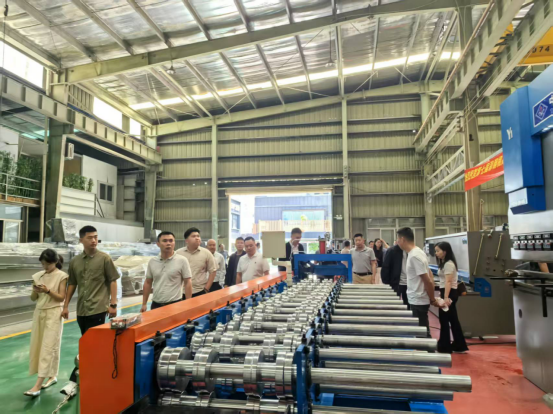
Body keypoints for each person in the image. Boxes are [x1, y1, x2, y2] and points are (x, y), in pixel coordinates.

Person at [61, 226, 120, 397]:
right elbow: (72, 284)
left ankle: (74, 381)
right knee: (91, 346)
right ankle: (92, 376)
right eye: (90, 237)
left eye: (95, 237)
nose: (94, 240)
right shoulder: (75, 262)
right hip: (82, 310)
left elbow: (113, 280)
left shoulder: (104, 259)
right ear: (81, 240)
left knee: (87, 346)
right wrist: (66, 306)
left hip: (98, 308)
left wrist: (113, 304)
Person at [25, 249, 68, 397]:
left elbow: (61, 297)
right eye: (43, 264)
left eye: (47, 264)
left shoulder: (62, 276)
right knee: (38, 345)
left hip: (54, 312)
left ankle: (37, 386)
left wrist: (48, 291)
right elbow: (33, 298)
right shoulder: (38, 276)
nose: (45, 267)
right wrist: (35, 290)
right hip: (39, 312)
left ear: (55, 262)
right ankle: (52, 375)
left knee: (49, 346)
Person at [397, 227, 440, 338]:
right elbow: (430, 274)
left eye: (398, 239)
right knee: (422, 331)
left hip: (418, 300)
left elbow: (427, 280)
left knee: (422, 335)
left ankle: (428, 348)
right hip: (417, 299)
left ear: (402, 239)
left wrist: (432, 299)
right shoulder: (418, 252)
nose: (397, 242)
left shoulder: (414, 256)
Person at [141, 232, 192, 312]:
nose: (168, 243)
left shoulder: (182, 260)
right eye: (165, 241)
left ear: (174, 243)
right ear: (158, 244)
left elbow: (187, 282)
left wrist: (188, 303)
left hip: (175, 305)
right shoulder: (152, 261)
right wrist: (144, 304)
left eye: (171, 241)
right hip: (156, 305)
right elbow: (148, 282)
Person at [435, 242, 469, 354]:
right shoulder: (444, 263)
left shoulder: (448, 264)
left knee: (444, 319)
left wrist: (445, 297)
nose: (436, 253)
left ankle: (444, 346)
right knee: (453, 320)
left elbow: (448, 282)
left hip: (449, 293)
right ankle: (459, 345)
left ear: (445, 251)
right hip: (448, 292)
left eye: (438, 251)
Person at [176, 228, 217, 298]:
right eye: (193, 236)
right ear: (186, 240)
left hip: (200, 291)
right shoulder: (178, 253)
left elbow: (213, 271)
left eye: (198, 236)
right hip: (181, 292)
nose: (197, 238)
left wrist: (206, 289)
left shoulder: (206, 253)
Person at [381, 242, 408, 309]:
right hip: (396, 282)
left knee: (408, 305)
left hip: (409, 283)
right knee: (394, 305)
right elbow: (386, 266)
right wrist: (386, 282)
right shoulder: (392, 251)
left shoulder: (411, 251)